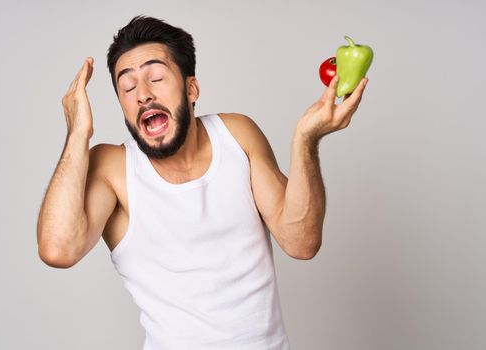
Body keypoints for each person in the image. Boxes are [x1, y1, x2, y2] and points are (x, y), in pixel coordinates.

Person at [36, 15, 367, 350]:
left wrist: (305, 140)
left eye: (156, 77)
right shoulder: (112, 167)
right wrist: (78, 132)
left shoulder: (237, 135)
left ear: (191, 88)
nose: (143, 95)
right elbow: (58, 249)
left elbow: (301, 241)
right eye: (128, 87)